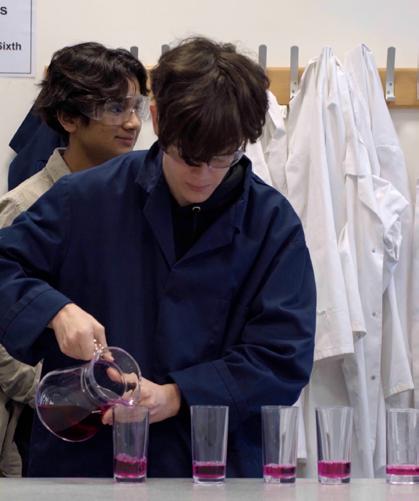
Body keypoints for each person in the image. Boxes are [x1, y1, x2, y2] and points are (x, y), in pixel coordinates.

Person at [0, 37, 316, 478]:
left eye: (223, 157)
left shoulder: (272, 225)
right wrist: (55, 311)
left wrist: (178, 395)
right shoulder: (85, 198)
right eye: (188, 157)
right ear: (158, 117)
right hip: (88, 465)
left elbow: (282, 357)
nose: (203, 176)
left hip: (213, 467)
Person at [0, 41, 148, 476]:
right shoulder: (25, 205)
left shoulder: (136, 201)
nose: (133, 122)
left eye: (137, 106)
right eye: (115, 108)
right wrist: (52, 391)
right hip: (44, 422)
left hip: (120, 413)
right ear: (69, 118)